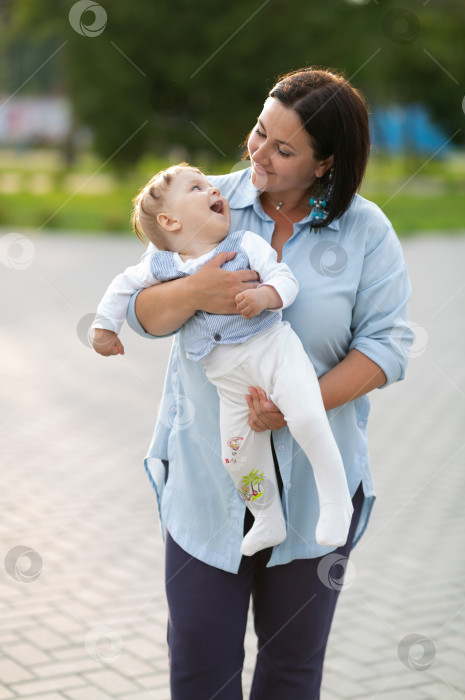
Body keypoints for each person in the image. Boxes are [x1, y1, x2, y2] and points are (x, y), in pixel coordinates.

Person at [124, 68, 412, 699]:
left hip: (315, 501)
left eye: (284, 150)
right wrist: (194, 291)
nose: (258, 154)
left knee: (290, 675)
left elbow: (387, 348)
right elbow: (138, 315)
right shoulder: (206, 201)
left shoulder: (365, 232)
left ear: (326, 163)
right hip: (207, 485)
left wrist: (295, 404)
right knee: (200, 672)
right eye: (259, 133)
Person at [92, 163, 354, 557]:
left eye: (212, 185)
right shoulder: (162, 265)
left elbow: (284, 277)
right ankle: (266, 516)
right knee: (236, 455)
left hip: (274, 353)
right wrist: (103, 328)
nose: (215, 191)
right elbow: (121, 287)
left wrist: (266, 296)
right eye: (198, 188)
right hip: (229, 384)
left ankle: (336, 501)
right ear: (170, 220)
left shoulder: (245, 243)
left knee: (305, 416)